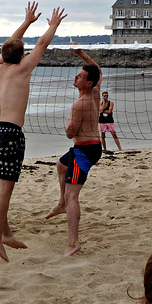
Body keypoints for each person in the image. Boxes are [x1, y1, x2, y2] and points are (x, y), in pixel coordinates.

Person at [0, 1, 67, 262]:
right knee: (4, 192)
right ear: (21, 56)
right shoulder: (23, 68)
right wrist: (52, 25)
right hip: (9, 133)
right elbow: (42, 44)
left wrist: (27, 22)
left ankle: (5, 232)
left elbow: (10, 43)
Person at [45, 50, 102, 256]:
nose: (76, 77)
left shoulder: (80, 104)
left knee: (73, 196)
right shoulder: (95, 93)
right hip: (90, 146)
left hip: (84, 151)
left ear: (88, 83)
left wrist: (68, 121)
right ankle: (61, 204)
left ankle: (73, 242)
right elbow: (98, 71)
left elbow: (70, 133)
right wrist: (82, 54)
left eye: (80, 76)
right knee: (61, 165)